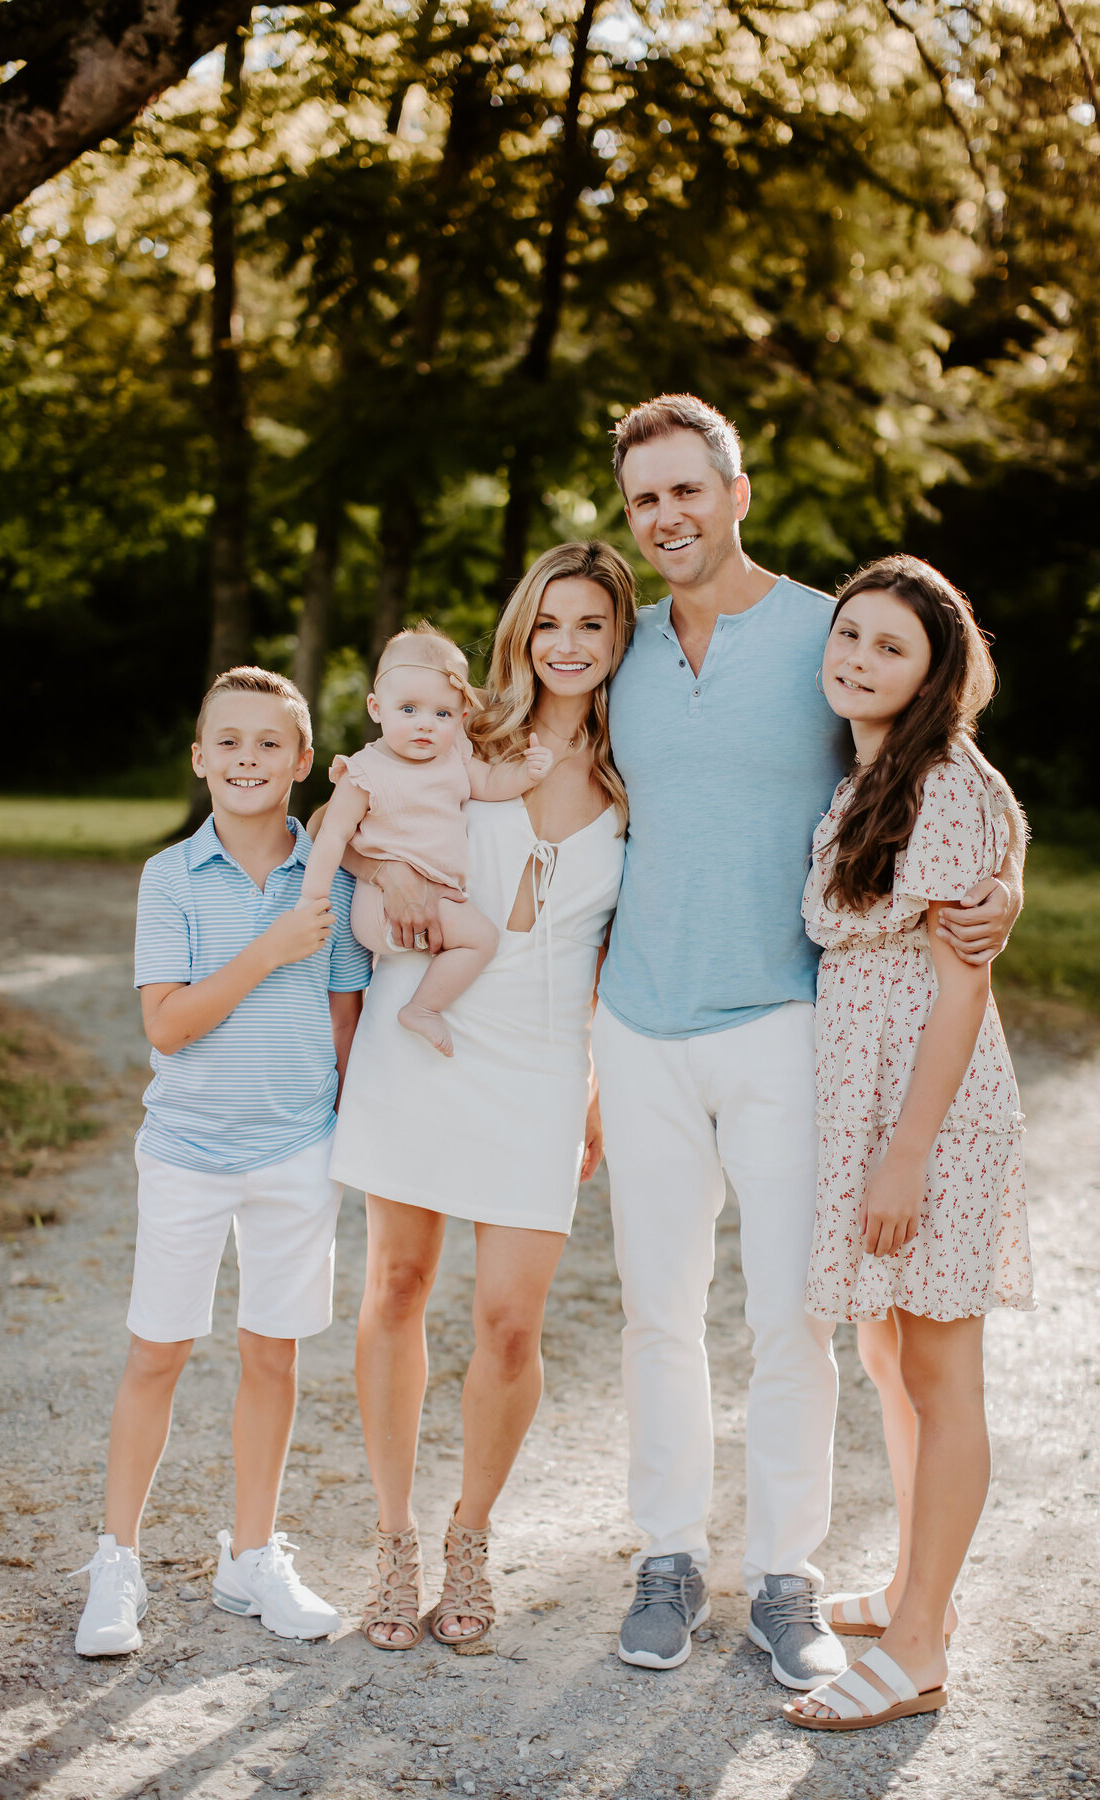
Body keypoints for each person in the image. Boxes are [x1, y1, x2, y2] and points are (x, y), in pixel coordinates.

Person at [591, 394, 1025, 1683]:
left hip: (793, 1026)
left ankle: (787, 1574)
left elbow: (943, 761)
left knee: (797, 1317)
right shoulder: (614, 648)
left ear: (736, 491)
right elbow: (533, 774)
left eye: (686, 490)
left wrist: (1007, 891)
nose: (666, 517)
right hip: (640, 1022)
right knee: (656, 1314)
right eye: (642, 499)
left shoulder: (822, 636)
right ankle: (666, 1554)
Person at [314, 540, 636, 1652]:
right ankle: (395, 1540)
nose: (567, 644)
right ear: (520, 631)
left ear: (619, 637)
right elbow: (346, 819)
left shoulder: (639, 774)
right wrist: (381, 872)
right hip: (426, 1030)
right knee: (397, 1283)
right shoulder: (462, 730)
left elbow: (620, 948)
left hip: (545, 1061)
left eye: (591, 623)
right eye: (550, 622)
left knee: (509, 1322)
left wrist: (598, 1078)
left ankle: (470, 1535)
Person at [73, 668, 370, 1657]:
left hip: (296, 1149)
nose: (247, 759)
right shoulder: (172, 877)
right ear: (201, 760)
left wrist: (341, 1120)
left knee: (270, 1352)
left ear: (297, 762)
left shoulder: (328, 876)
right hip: (190, 1151)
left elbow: (342, 1015)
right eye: (227, 743)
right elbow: (169, 1022)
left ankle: (250, 1557)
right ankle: (118, 1560)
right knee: (158, 1349)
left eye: (267, 744)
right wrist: (268, 949)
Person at [783, 556, 1033, 1731]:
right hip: (867, 1101)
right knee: (889, 1360)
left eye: (892, 647)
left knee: (939, 1373)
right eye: (850, 635)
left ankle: (926, 1642)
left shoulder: (940, 784)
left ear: (937, 673)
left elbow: (959, 992)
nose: (859, 659)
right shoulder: (873, 775)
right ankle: (905, 1589)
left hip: (927, 1112)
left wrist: (906, 1154)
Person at [299, 627, 554, 1057]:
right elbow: (332, 835)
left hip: (435, 894)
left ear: (460, 719)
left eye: (442, 714)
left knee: (473, 936)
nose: (425, 724)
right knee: (482, 939)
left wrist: (527, 775)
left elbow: (490, 782)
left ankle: (421, 1000)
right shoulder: (365, 771)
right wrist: (312, 901)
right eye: (409, 709)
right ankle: (423, 1008)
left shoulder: (453, 758)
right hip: (383, 903)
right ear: (377, 709)